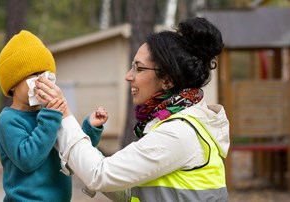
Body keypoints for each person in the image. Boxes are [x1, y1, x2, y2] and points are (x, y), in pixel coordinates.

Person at [37, 17, 229, 202]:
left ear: (167, 80)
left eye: (139, 68)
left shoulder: (178, 132)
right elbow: (131, 192)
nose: (129, 76)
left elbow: (99, 174)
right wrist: (82, 159)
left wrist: (62, 113)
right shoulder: (182, 124)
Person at [0, 30, 108, 202]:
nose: (41, 81)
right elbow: (28, 160)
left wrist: (91, 128)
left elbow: (72, 150)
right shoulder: (9, 120)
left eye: (45, 75)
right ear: (12, 83)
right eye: (33, 75)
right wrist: (50, 116)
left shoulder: (49, 113)